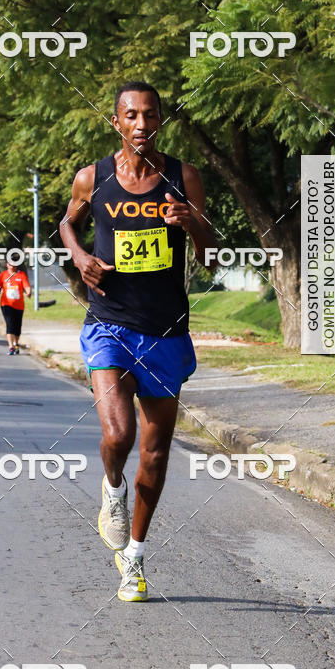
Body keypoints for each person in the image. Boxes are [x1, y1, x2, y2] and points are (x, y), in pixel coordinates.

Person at [59, 80, 219, 602]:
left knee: (154, 451)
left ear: (160, 120)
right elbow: (67, 222)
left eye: (150, 115)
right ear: (116, 123)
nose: (141, 125)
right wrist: (80, 257)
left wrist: (191, 221)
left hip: (166, 330)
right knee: (119, 433)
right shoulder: (94, 177)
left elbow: (211, 255)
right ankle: (111, 488)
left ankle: (134, 558)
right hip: (108, 323)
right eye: (131, 116)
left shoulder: (182, 178)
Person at [0, 260, 31, 355]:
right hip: (6, 304)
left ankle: (16, 343)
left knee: (17, 327)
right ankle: (11, 347)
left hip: (19, 305)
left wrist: (28, 292)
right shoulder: (3, 275)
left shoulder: (21, 275)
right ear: (7, 265)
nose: (12, 266)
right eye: (10, 264)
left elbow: (27, 286)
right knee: (10, 325)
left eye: (14, 264)